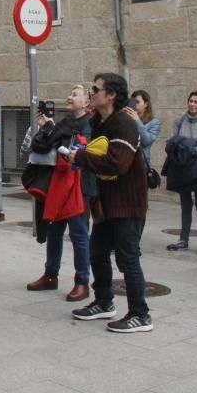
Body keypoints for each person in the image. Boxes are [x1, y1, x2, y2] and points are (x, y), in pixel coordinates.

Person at [68, 72, 152, 333]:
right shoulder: (100, 122)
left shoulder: (123, 123)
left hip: (128, 203)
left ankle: (141, 314)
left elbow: (118, 163)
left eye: (96, 88)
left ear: (112, 94)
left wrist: (80, 158)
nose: (92, 92)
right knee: (97, 253)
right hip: (107, 203)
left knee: (127, 259)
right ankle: (104, 301)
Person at [25, 84, 93, 302]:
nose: (69, 97)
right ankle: (51, 274)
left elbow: (83, 150)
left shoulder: (90, 124)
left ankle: (82, 281)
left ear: (87, 102)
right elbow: (44, 146)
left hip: (79, 185)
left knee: (78, 233)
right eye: (70, 94)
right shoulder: (65, 123)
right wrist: (47, 126)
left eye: (75, 95)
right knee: (54, 231)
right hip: (58, 183)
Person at [165, 91, 197, 255]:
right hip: (182, 168)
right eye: (191, 101)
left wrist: (189, 149)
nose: (192, 104)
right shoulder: (180, 120)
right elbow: (172, 141)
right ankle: (183, 239)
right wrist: (184, 149)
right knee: (186, 205)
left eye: (196, 102)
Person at [124, 90, 161, 170]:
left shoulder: (154, 122)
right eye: (133, 102)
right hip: (126, 163)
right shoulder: (127, 119)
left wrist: (137, 120)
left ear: (146, 104)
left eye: (138, 102)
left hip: (142, 165)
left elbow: (146, 141)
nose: (135, 105)